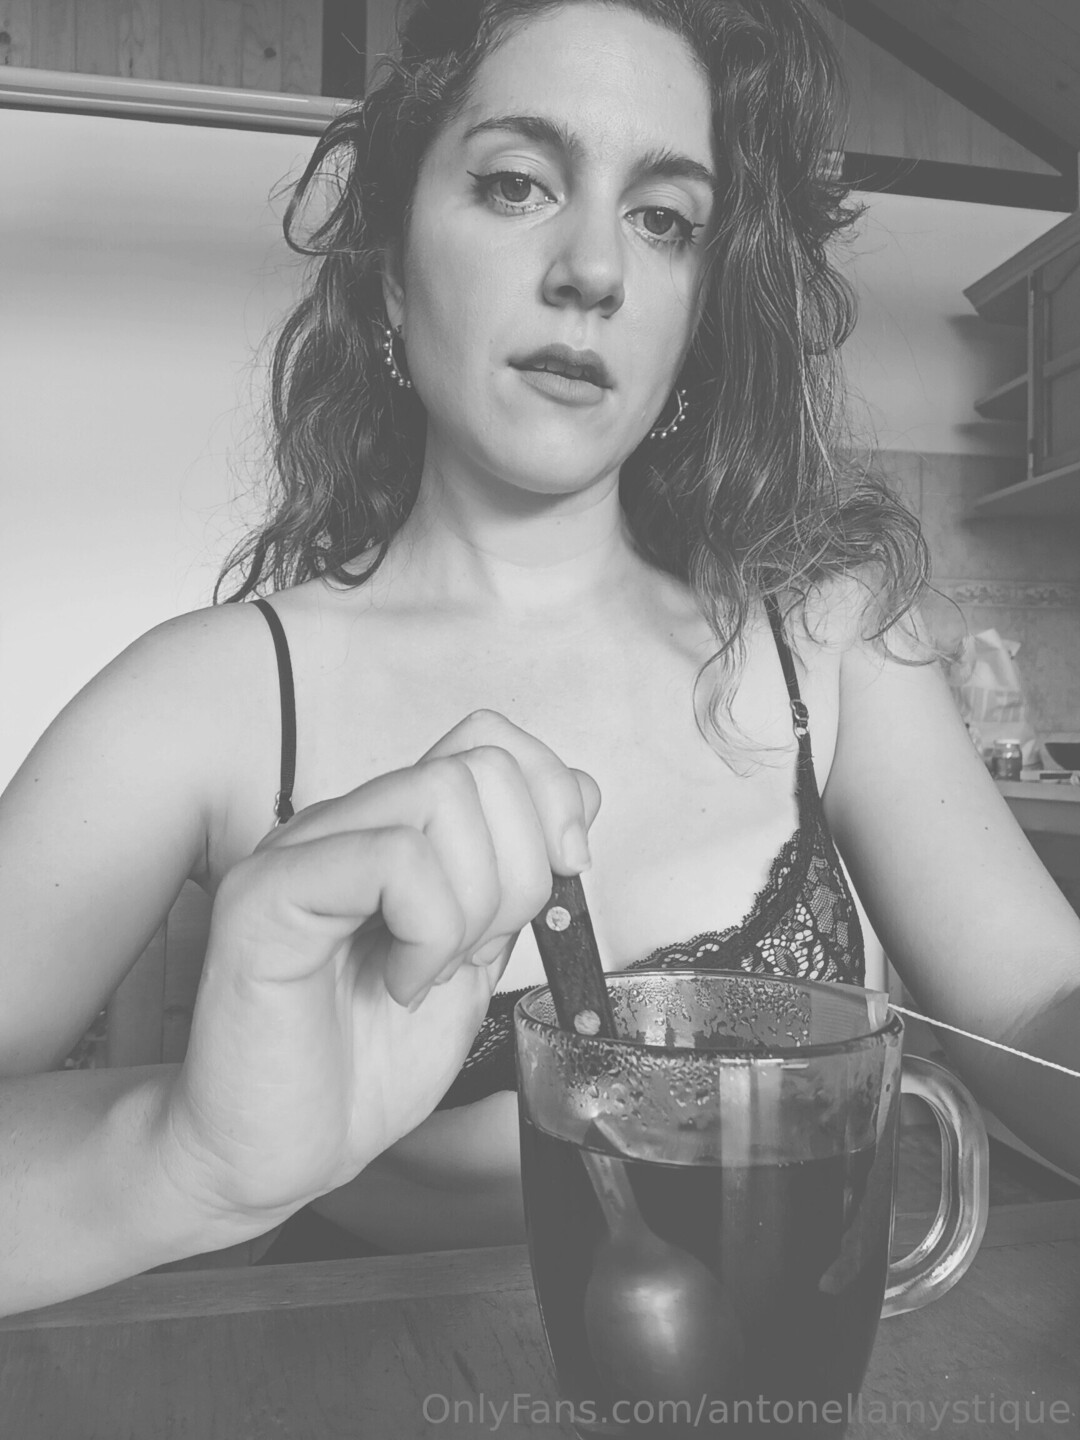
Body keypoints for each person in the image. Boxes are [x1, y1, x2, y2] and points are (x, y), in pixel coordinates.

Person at [2, 0, 1078, 1313]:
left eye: (664, 218)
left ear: (694, 316)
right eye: (517, 183)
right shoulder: (207, 698)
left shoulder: (829, 642)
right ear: (392, 272)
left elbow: (1037, 1007)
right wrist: (182, 1158)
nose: (595, 268)